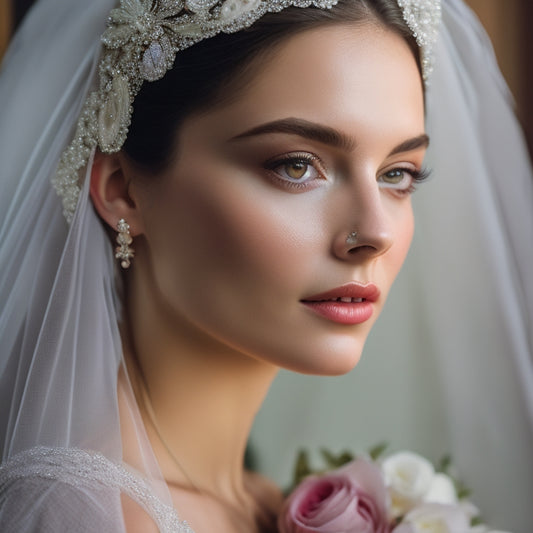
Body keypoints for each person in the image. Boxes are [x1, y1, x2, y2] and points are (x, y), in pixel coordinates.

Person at [0, 1, 531, 532]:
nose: (375, 234)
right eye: (296, 166)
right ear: (123, 191)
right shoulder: (86, 517)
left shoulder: (261, 502)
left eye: (397, 174)